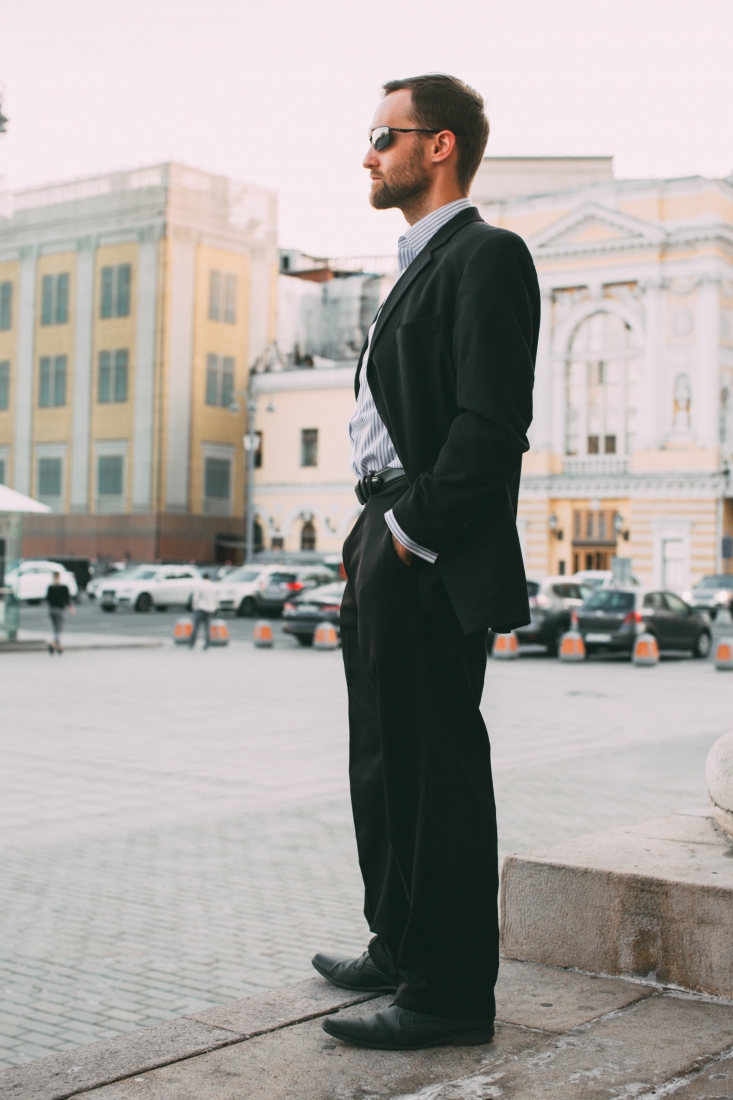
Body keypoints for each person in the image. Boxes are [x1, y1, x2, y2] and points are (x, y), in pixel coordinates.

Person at [313, 74, 540, 1051]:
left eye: (381, 135)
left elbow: (491, 423)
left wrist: (410, 532)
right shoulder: (409, 264)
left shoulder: (486, 255)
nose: (367, 154)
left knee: (437, 760)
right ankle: (397, 938)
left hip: (425, 539)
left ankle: (449, 991)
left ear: (437, 145)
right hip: (380, 528)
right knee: (380, 753)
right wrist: (366, 534)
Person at [46, 571, 75, 654]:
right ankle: (53, 643)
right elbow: (67, 599)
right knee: (59, 629)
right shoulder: (63, 588)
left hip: (51, 610)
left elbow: (47, 599)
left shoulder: (50, 587)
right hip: (60, 610)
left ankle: (59, 647)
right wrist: (71, 608)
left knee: (55, 628)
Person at [189, 576, 219, 649]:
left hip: (201, 608)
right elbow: (216, 598)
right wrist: (215, 608)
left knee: (196, 627)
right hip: (210, 609)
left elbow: (195, 597)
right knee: (207, 628)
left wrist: (194, 607)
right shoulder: (213, 586)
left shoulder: (200, 585)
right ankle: (207, 644)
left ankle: (191, 644)